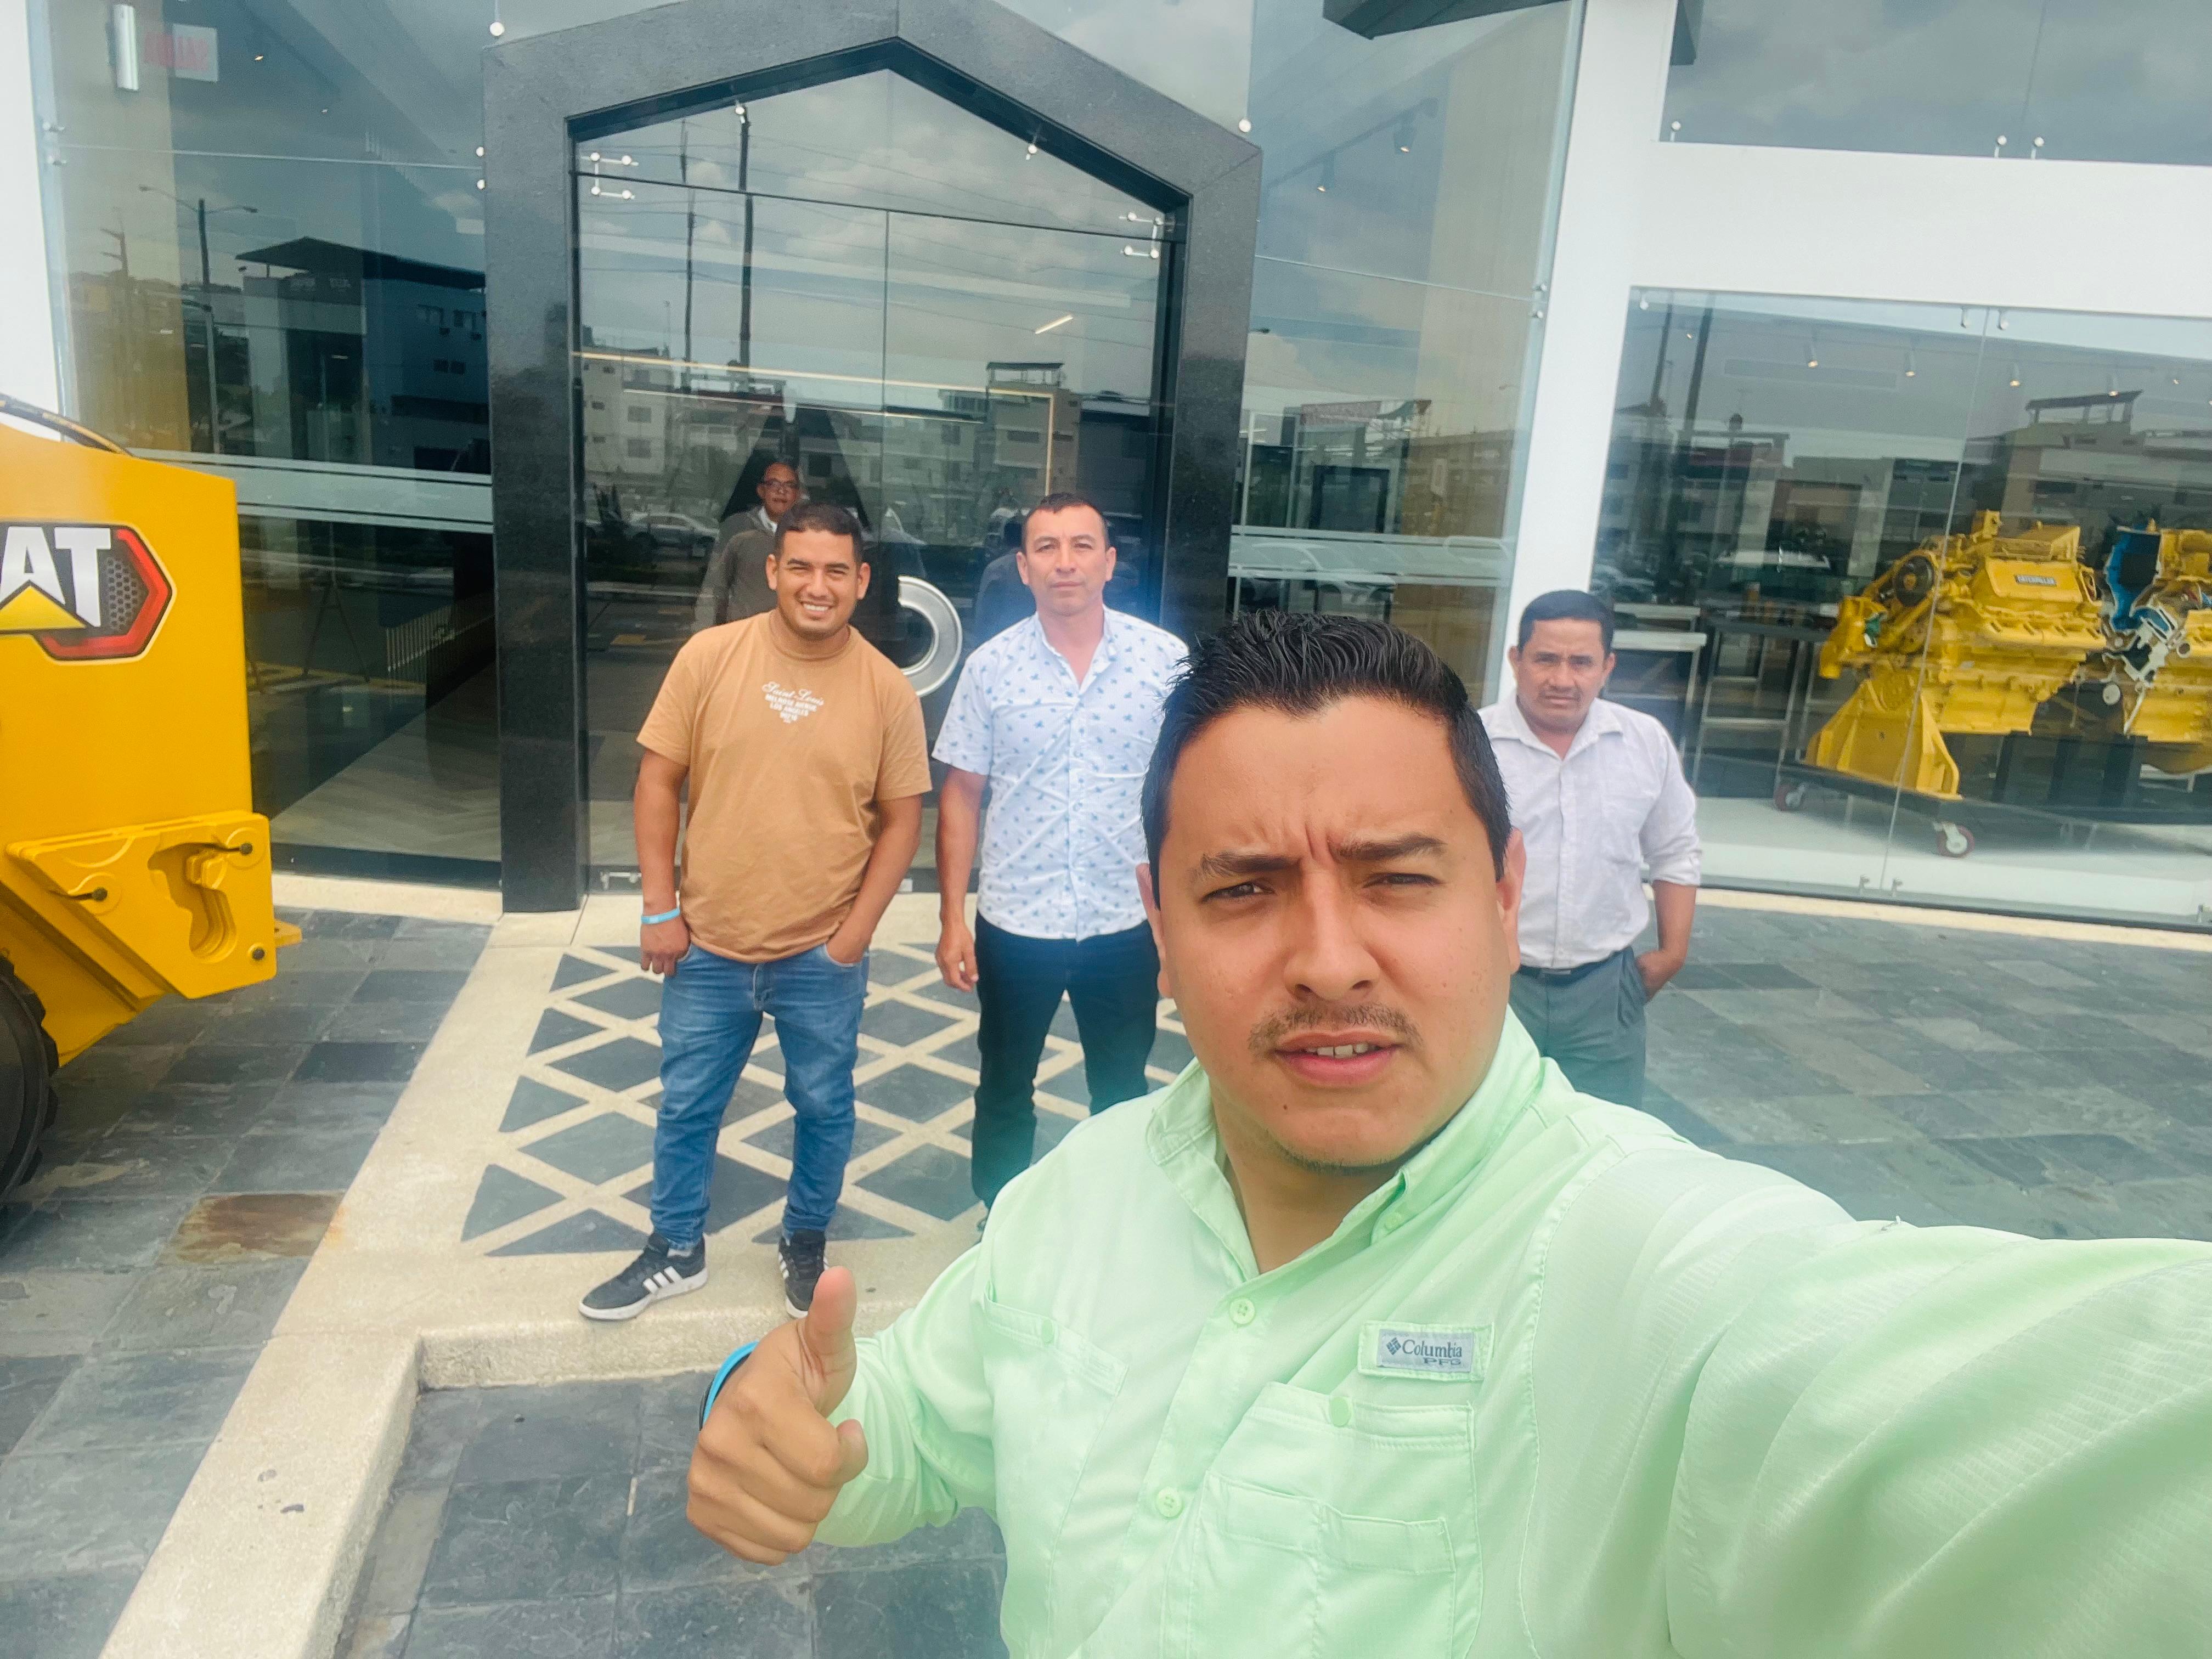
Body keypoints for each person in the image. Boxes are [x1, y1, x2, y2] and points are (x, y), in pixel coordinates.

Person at [684, 611, 2210, 1657]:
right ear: (1158, 922)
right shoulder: (1083, 1190)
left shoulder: (1644, 1265)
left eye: (1397, 879)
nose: (1326, 958)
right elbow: (916, 1425)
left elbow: (2016, 1435)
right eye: (1243, 890)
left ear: (1503, 891)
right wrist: (795, 1440)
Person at [583, 500, 929, 1324]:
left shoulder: (887, 690)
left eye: (836, 570)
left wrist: (853, 938)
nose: (818, 586)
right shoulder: (709, 658)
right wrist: (658, 909)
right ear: (772, 570)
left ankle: (805, 1239)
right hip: (708, 943)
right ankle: (676, 1248)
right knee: (687, 1105)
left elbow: (903, 820)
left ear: (862, 580)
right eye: (800, 566)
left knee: (824, 1107)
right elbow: (657, 781)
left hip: (821, 953)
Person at [931, 493, 1185, 1212]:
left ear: (1109, 562)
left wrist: (1185, 918)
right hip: (1018, 920)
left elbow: (1193, 790)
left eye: (1081, 546)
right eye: (1047, 547)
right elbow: (961, 796)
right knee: (1005, 1083)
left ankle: (1112, 1219)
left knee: (1123, 1088)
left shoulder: (1165, 663)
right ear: (1023, 567)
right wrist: (952, 918)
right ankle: (1002, 1220)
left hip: (1125, 920)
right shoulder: (990, 669)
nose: (1064, 562)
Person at [1480, 589, 1698, 1107]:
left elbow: (1675, 850)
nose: (1562, 679)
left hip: (1605, 989)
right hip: (1493, 980)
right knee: (1485, 1124)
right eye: (1545, 659)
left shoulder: (1644, 742)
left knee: (1605, 1129)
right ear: (1516, 660)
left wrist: (1673, 954)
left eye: (1581, 662)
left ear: (1608, 667)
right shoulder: (1471, 742)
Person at [693, 458, 802, 632]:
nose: (782, 491)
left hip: (792, 635)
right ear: (761, 490)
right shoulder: (737, 527)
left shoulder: (808, 533)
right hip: (743, 633)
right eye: (774, 484)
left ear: (797, 495)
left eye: (789, 485)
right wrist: (705, 634)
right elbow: (715, 587)